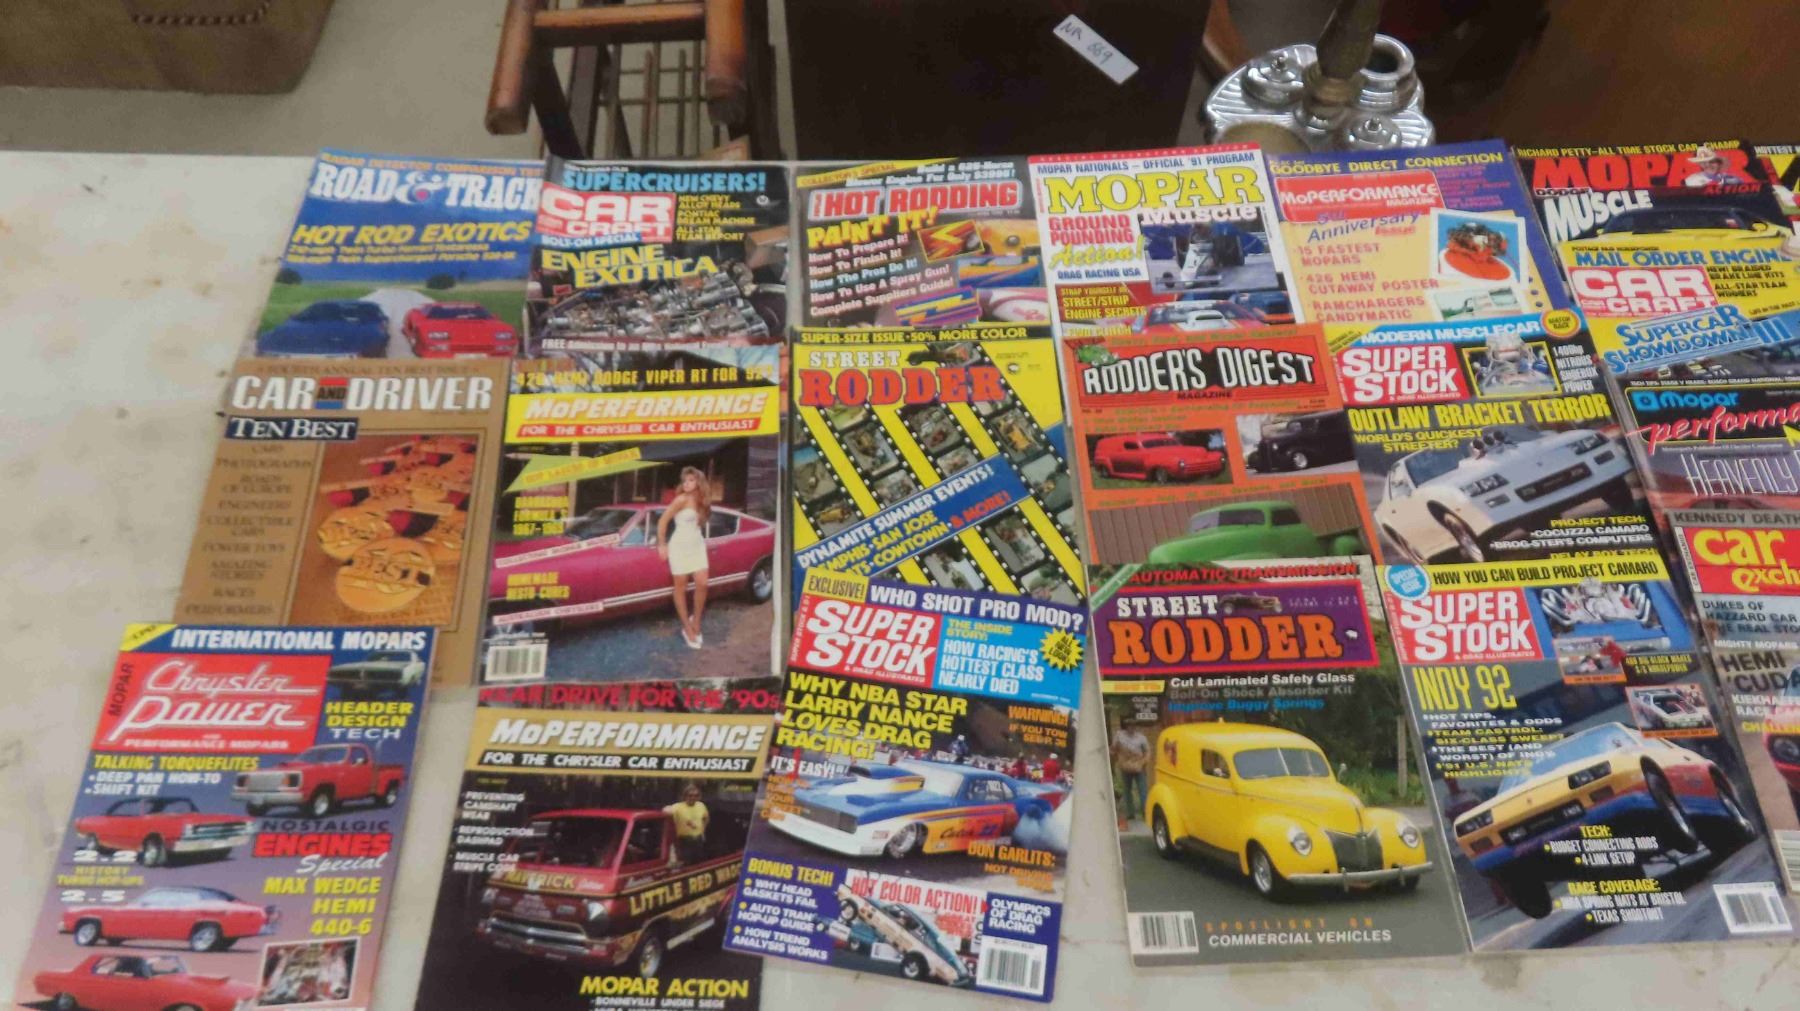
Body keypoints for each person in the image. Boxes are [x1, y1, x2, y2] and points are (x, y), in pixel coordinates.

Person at [657, 467, 712, 649]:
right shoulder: (681, 499)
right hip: (679, 546)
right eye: (685, 480)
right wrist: (662, 544)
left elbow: (701, 523)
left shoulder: (702, 501)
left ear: (699, 482)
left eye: (691, 480)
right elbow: (663, 520)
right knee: (680, 586)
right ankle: (687, 628)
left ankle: (696, 621)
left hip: (697, 545)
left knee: (702, 583)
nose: (686, 484)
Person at [1112, 725, 1150, 824]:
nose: (1131, 728)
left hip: (1138, 767)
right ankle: (1130, 814)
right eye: (1129, 725)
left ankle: (1146, 813)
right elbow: (1114, 749)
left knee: (1143, 791)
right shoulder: (1119, 736)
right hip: (1125, 767)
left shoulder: (1141, 737)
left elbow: (1147, 752)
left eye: (1133, 725)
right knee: (1127, 791)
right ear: (1126, 726)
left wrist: (1142, 763)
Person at [664, 783, 710, 864]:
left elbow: (706, 818)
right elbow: (666, 810)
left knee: (699, 862)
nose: (693, 798)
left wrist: (703, 831)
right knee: (686, 863)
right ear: (685, 796)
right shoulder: (678, 806)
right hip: (684, 841)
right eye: (690, 795)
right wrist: (667, 809)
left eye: (696, 795)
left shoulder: (701, 805)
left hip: (698, 839)